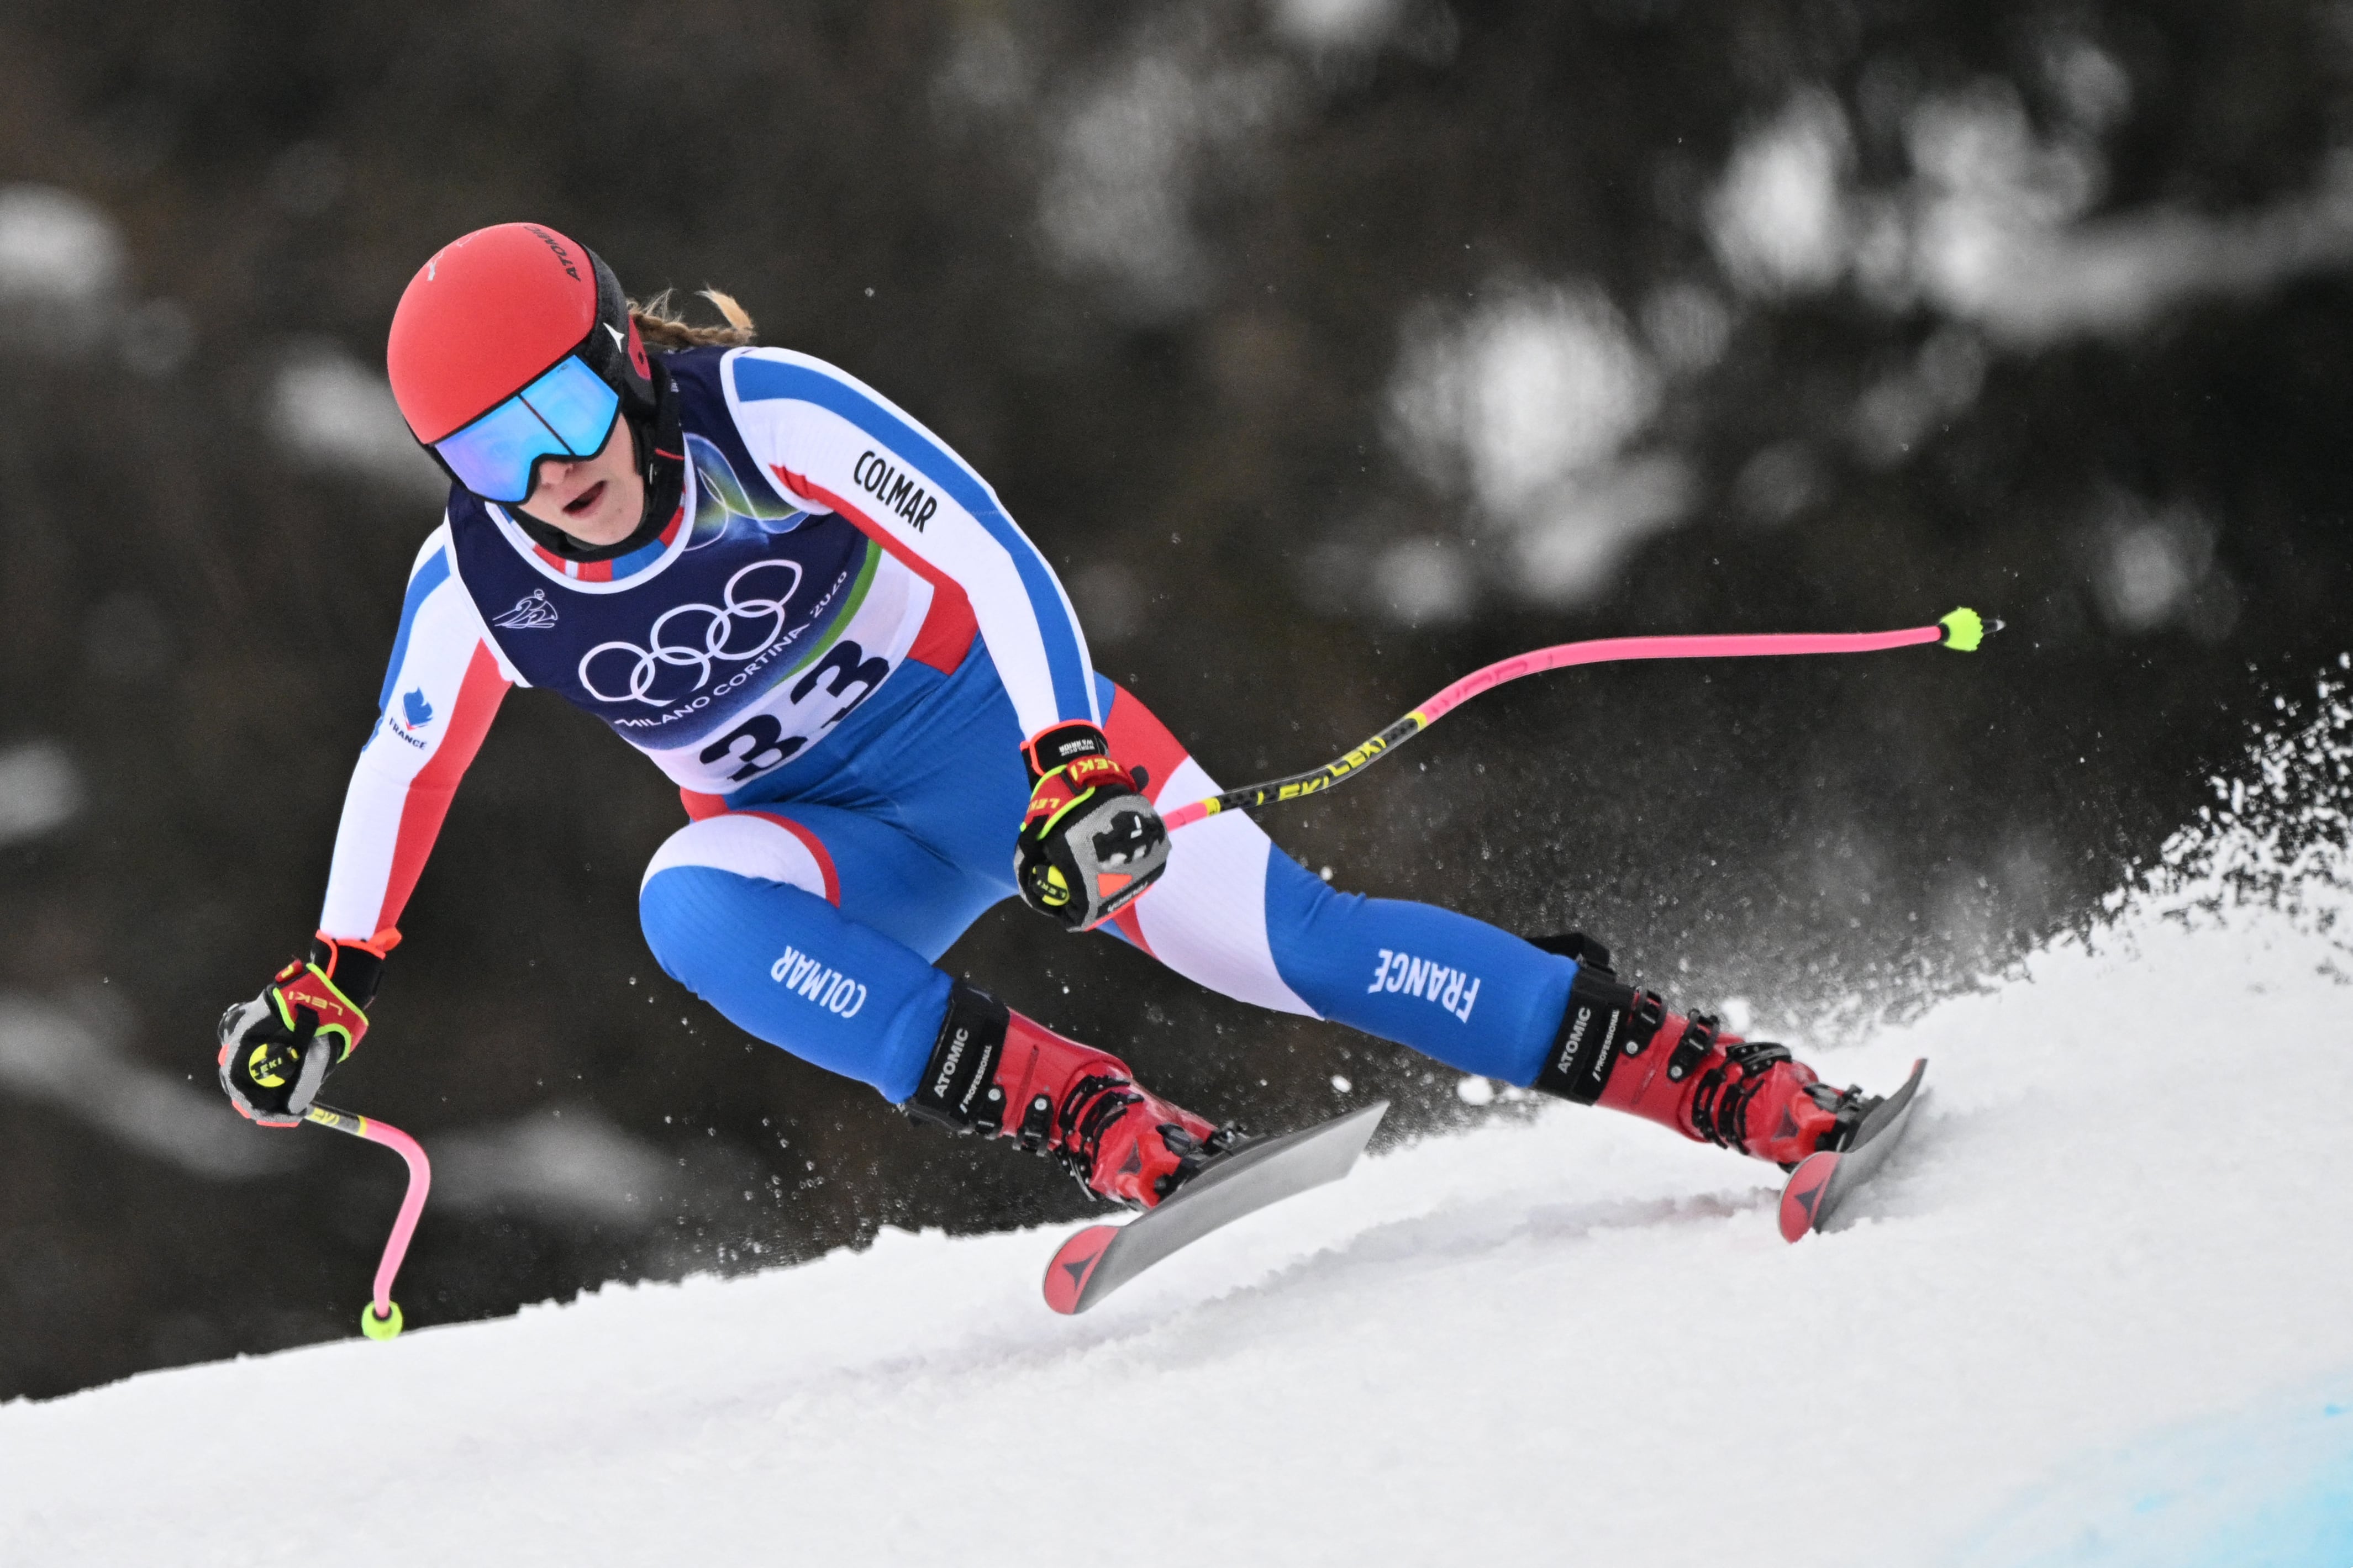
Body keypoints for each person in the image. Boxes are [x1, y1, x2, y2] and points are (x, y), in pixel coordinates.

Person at [217, 221, 1883, 1211]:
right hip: (830, 844)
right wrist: (332, 973)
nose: (556, 474)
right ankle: (1097, 1118)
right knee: (686, 905)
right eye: (496, 457)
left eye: (569, 408)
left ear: (625, 365)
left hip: (1002, 744)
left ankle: (1717, 1082)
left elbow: (986, 550)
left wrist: (1065, 760)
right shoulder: (476, 581)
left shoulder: (765, 414)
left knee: (1285, 952)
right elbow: (404, 760)